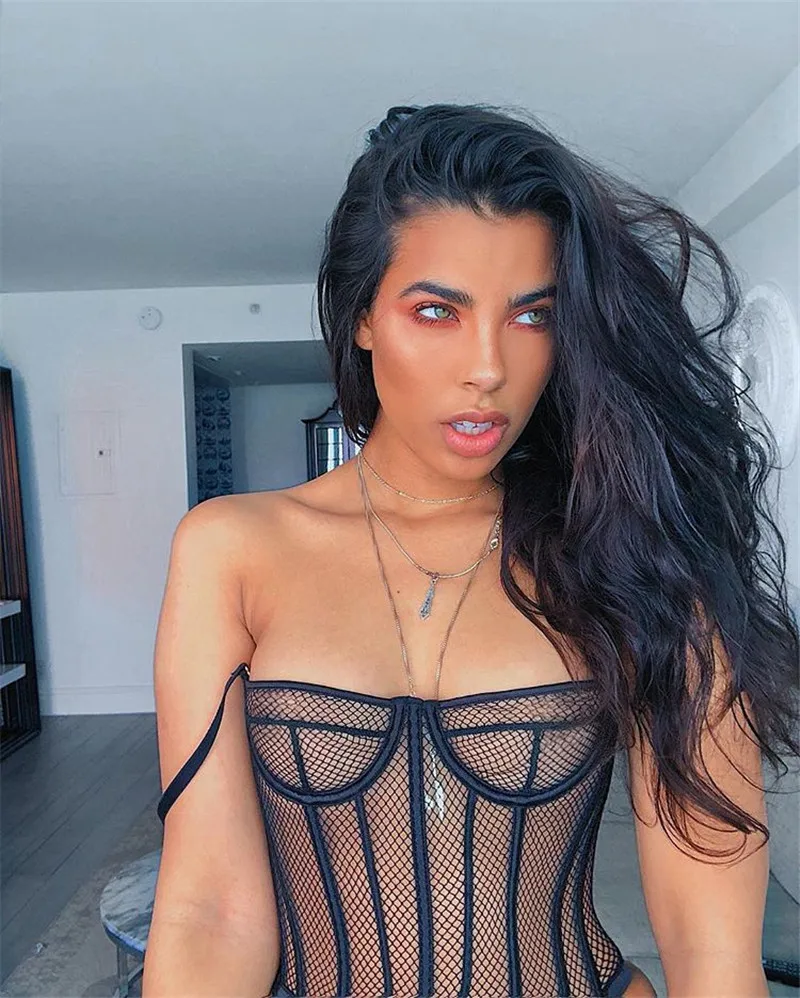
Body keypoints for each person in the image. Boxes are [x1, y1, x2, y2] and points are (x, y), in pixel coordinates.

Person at [142, 103, 799, 998]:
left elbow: (711, 945)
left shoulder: (635, 543)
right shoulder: (231, 548)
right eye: (436, 311)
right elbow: (210, 911)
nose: (488, 366)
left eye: (532, 317)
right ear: (363, 316)